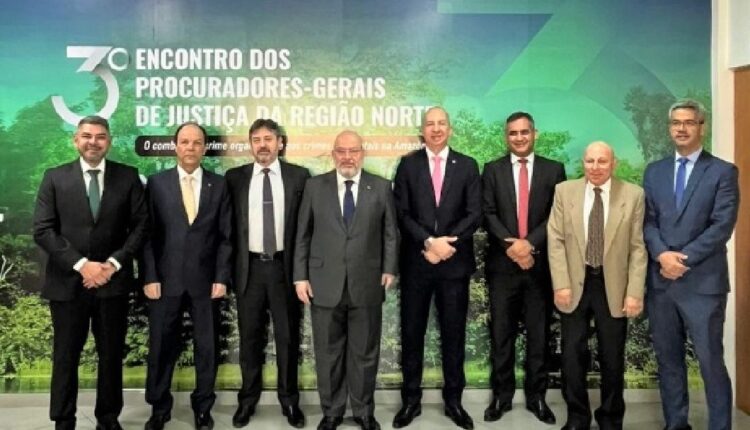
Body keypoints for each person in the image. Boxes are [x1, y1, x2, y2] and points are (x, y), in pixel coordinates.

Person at [33, 115, 148, 430]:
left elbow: (141, 226)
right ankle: (63, 420)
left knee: (111, 355)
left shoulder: (128, 176)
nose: (93, 142)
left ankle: (108, 419)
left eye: (100, 136)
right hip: (67, 284)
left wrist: (113, 264)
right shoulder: (54, 177)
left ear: (109, 141)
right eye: (86, 136)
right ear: (76, 140)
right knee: (65, 355)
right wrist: (82, 264)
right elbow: (43, 230)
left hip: (113, 283)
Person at [643, 99, 739, 430]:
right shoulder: (654, 172)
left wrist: (682, 259)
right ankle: (676, 424)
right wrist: (661, 255)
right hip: (662, 283)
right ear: (669, 128)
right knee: (668, 362)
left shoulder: (723, 171)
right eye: (675, 123)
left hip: (703, 283)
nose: (681, 128)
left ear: (702, 127)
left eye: (688, 122)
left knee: (711, 362)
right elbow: (647, 221)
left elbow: (722, 225)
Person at [293, 130, 398, 430]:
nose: (347, 157)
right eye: (341, 151)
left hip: (367, 283)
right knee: (328, 354)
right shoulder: (315, 186)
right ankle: (332, 412)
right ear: (333, 154)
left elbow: (391, 233)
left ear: (362, 154)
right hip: (323, 283)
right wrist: (300, 276)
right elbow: (302, 235)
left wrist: (389, 268)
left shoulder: (380, 187)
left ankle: (363, 411)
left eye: (353, 151)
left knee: (365, 353)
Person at [392, 107, 482, 430]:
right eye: (430, 124)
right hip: (417, 263)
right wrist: (429, 242)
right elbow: (401, 213)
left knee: (453, 335)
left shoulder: (467, 165)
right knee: (412, 334)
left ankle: (454, 401)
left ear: (450, 129)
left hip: (454, 265)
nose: (436, 128)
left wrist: (446, 244)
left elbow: (475, 213)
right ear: (422, 130)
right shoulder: (408, 164)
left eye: (441, 123)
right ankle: (410, 401)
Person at [547, 141, 647, 430]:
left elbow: (638, 247)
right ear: (583, 163)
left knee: (612, 356)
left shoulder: (633, 194)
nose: (595, 167)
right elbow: (556, 240)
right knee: (571, 355)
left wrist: (633, 292)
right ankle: (577, 417)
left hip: (613, 285)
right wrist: (561, 284)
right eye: (590, 161)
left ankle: (611, 419)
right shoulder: (564, 191)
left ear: (614, 164)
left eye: (602, 161)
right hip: (574, 285)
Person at [141, 122, 232, 430]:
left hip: (206, 283)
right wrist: (149, 276)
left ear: (204, 148)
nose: (190, 147)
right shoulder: (156, 184)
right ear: (175, 146)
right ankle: (159, 408)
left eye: (196, 142)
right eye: (184, 142)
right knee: (161, 346)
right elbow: (147, 236)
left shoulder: (219, 185)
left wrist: (221, 277)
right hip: (164, 282)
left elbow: (226, 237)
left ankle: (203, 408)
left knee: (207, 348)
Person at [481, 112, 566, 424]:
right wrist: (514, 248)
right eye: (513, 133)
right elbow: (487, 213)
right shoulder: (492, 169)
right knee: (501, 335)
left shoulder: (553, 170)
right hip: (502, 268)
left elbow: (557, 215)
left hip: (539, 267)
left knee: (538, 336)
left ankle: (537, 398)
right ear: (507, 136)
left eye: (524, 132)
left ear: (534, 134)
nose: (519, 138)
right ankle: (501, 397)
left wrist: (529, 244)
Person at [225, 119, 310, 428]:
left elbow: (306, 229)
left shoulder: (299, 176)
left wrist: (302, 272)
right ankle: (247, 401)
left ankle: (289, 402)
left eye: (268, 139)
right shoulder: (234, 178)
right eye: (256, 139)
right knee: (249, 339)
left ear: (280, 143)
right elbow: (227, 230)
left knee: (287, 339)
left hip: (283, 269)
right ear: (250, 144)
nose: (262, 145)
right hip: (248, 270)